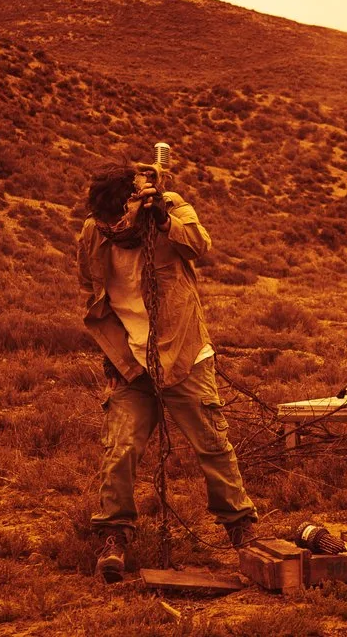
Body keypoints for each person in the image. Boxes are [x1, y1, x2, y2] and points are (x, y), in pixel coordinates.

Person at [78, 162, 258, 582]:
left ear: (134, 203)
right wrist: (112, 353)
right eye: (104, 221)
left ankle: (241, 529)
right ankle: (114, 537)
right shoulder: (93, 232)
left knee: (211, 445)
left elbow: (200, 245)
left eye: (117, 218)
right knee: (119, 448)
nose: (110, 226)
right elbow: (90, 287)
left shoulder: (172, 210)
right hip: (131, 363)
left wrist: (163, 219)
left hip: (183, 353)